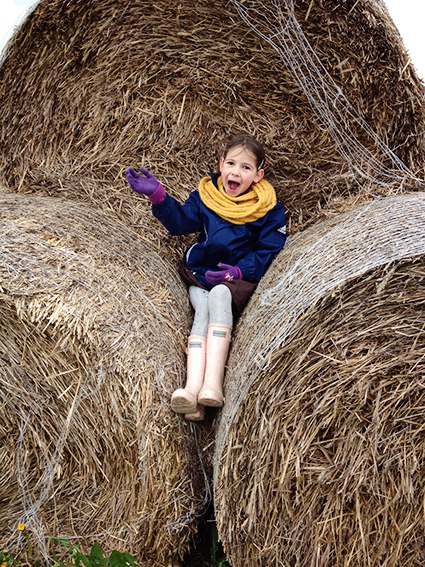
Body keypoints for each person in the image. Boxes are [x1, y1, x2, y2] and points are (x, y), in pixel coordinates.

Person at [125, 134, 286, 421]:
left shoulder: (268, 210)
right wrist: (159, 196)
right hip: (201, 272)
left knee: (219, 296)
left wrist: (239, 272)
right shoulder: (205, 197)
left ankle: (213, 384)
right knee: (202, 307)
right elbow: (182, 223)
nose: (236, 172)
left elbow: (269, 248)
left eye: (246, 168)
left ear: (258, 176)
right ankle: (191, 392)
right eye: (232, 164)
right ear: (221, 164)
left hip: (235, 278)